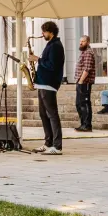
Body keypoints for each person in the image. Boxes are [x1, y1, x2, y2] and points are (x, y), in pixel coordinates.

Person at [30, 21, 65, 155]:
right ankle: (48, 142)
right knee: (43, 114)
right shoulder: (51, 45)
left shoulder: (56, 46)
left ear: (50, 32)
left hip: (49, 84)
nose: (42, 34)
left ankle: (57, 146)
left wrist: (37, 59)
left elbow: (52, 65)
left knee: (52, 115)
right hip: (43, 83)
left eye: (44, 31)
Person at [73, 36, 96, 133]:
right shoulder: (83, 52)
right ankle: (83, 124)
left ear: (88, 42)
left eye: (83, 41)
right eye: (80, 41)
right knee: (79, 104)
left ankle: (87, 125)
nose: (81, 43)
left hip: (84, 82)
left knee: (84, 103)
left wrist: (81, 81)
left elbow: (87, 69)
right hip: (80, 82)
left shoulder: (88, 53)